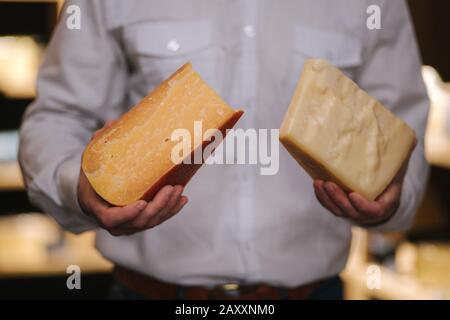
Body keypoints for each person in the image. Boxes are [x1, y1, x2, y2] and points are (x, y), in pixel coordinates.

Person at [19, 0, 429, 299]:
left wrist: (392, 200)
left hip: (314, 292)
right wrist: (82, 187)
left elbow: (402, 127)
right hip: (148, 292)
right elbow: (57, 118)